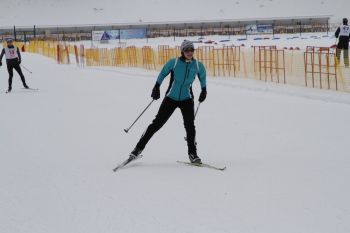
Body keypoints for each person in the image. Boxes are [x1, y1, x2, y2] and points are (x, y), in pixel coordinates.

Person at [129, 40, 207, 164]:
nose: (189, 52)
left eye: (191, 50)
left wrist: (204, 90)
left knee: (190, 127)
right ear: (182, 51)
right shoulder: (174, 62)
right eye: (187, 50)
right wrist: (156, 87)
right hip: (171, 98)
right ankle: (138, 149)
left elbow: (202, 76)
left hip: (187, 99)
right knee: (156, 124)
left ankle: (193, 154)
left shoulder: (197, 65)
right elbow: (163, 73)